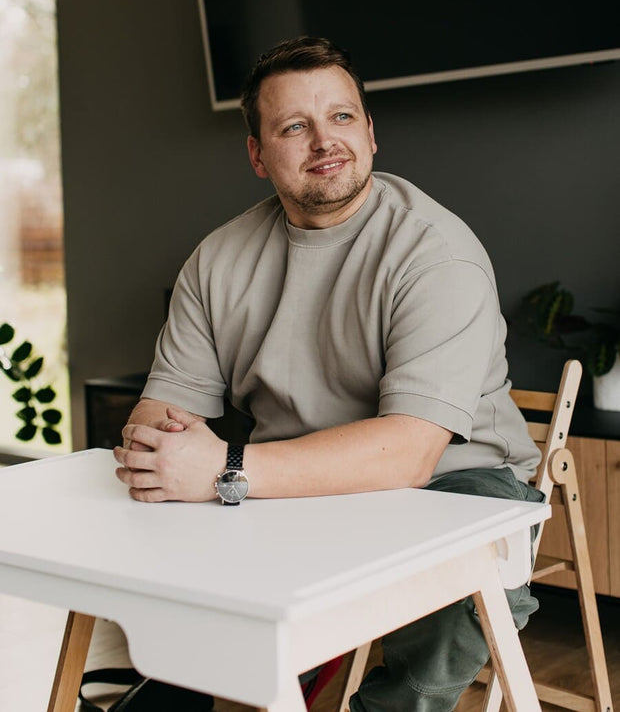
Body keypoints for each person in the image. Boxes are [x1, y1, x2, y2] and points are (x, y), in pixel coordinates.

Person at [114, 36, 543, 711]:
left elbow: (406, 452)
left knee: (451, 613)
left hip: (457, 484)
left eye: (342, 117)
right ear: (257, 153)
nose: (325, 141)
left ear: (370, 133)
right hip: (286, 487)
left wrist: (224, 466)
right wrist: (169, 452)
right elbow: (158, 417)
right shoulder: (216, 260)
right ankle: (184, 684)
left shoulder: (436, 252)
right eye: (294, 126)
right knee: (183, 576)